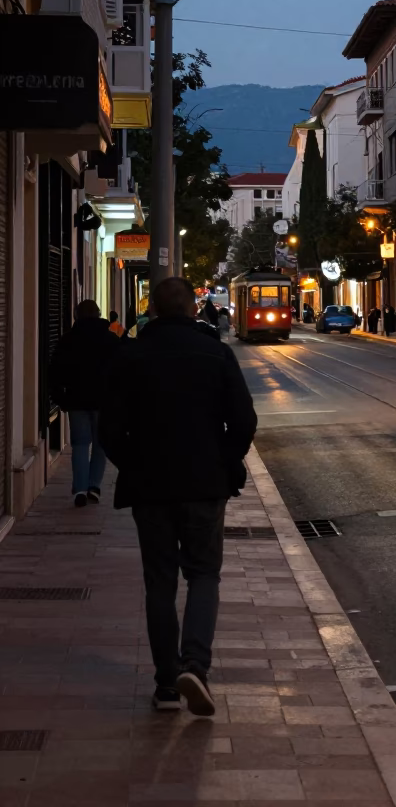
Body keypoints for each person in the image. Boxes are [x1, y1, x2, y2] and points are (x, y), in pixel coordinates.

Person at [100, 277, 257, 716]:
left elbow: (109, 429)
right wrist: (225, 461)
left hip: (150, 486)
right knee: (204, 575)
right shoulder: (216, 353)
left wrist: (133, 463)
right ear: (193, 310)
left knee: (160, 582)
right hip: (205, 484)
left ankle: (167, 684)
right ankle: (195, 665)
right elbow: (243, 420)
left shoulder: (129, 355)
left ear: (152, 311)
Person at [49, 299, 121, 507]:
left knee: (80, 444)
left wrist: (60, 399)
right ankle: (94, 486)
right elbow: (121, 371)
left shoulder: (68, 340)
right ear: (98, 314)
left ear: (76, 315)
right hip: (104, 402)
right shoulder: (111, 339)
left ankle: (79, 488)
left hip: (76, 400)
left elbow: (55, 371)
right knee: (100, 445)